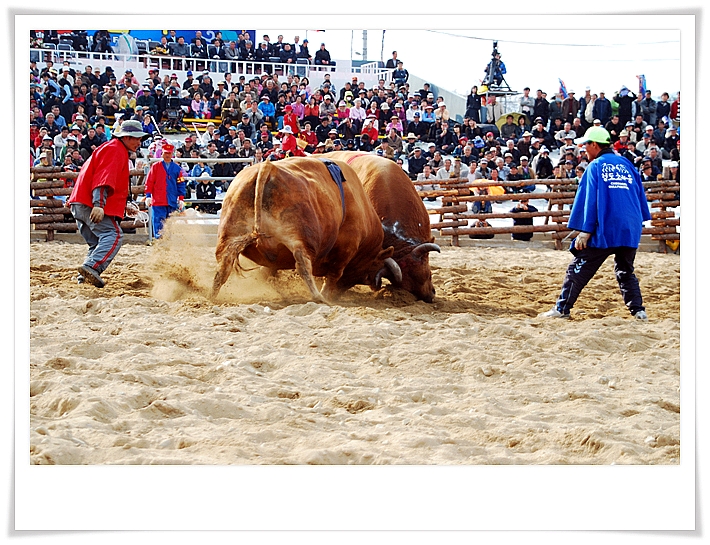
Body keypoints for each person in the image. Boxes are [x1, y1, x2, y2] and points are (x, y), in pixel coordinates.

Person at [540, 126, 651, 320]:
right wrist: (637, 223)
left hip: (606, 227)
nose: (583, 149)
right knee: (625, 270)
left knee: (578, 267)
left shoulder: (596, 166)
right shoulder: (626, 163)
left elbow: (589, 199)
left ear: (594, 145)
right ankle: (638, 311)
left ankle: (562, 308)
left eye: (585, 145)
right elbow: (639, 195)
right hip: (629, 227)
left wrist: (584, 229)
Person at [67, 120, 147, 288]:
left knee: (97, 243)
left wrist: (122, 204)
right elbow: (103, 180)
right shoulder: (115, 150)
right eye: (136, 138)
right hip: (90, 203)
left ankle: (84, 277)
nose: (139, 142)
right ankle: (91, 267)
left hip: (79, 202)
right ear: (125, 137)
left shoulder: (111, 148)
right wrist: (98, 205)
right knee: (114, 235)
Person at [144, 142, 186, 238]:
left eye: (169, 153)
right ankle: (159, 240)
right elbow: (149, 182)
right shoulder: (155, 167)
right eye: (165, 153)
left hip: (171, 199)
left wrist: (181, 198)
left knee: (170, 222)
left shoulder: (177, 168)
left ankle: (168, 241)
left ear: (172, 154)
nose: (167, 155)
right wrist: (148, 196)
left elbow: (181, 183)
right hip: (158, 200)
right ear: (162, 154)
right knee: (158, 221)